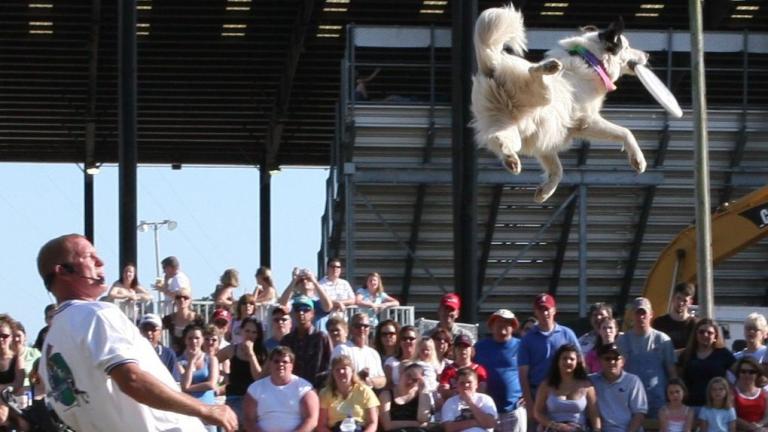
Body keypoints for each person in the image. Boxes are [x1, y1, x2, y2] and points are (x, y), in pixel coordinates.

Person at [36, 234, 236, 431]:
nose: (101, 262)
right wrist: (206, 410)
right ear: (62, 271)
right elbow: (132, 380)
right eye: (89, 256)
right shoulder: (96, 314)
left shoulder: (49, 348)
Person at [519, 293, 581, 425]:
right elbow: (523, 374)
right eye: (541, 309)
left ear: (554, 310)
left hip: (563, 393)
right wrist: (530, 405)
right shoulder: (527, 339)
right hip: (537, 393)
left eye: (547, 309)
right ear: (535, 312)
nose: (544, 313)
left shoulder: (567, 334)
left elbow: (580, 363)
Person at [617, 296, 677, 419]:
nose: (641, 317)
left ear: (651, 315)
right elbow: (617, 372)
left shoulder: (663, 340)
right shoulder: (622, 340)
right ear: (632, 315)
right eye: (637, 313)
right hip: (630, 400)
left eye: (644, 313)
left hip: (657, 400)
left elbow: (672, 372)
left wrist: (674, 398)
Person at [242, 346, 318, 432]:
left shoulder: (305, 388)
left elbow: (311, 420)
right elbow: (248, 420)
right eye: (276, 361)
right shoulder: (255, 388)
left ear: (291, 366)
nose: (280, 364)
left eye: (285, 362)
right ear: (270, 364)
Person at [474, 309, 525, 432]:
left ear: (513, 327)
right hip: (486, 411)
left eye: (507, 322)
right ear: (491, 326)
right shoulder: (479, 347)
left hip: (514, 410)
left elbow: (533, 372)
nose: (502, 324)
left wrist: (529, 395)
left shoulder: (522, 346)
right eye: (498, 321)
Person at [533, 344, 601, 432]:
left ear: (577, 362)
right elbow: (537, 413)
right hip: (553, 428)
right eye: (564, 358)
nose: (568, 362)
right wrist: (556, 426)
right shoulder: (546, 385)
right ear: (558, 361)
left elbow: (594, 415)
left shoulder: (586, 385)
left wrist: (597, 430)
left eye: (572, 359)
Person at [216, 316, 267, 425]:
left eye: (254, 332)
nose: (250, 335)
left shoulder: (262, 353)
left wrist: (251, 354)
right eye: (247, 331)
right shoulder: (232, 349)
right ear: (241, 331)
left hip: (254, 399)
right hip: (234, 398)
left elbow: (258, 377)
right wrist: (222, 375)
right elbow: (213, 361)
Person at [678, 318, 735, 410]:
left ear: (715, 336)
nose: (705, 335)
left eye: (709, 333)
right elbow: (679, 380)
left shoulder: (724, 354)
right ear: (695, 334)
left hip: (716, 407)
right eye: (701, 332)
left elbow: (739, 375)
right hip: (690, 406)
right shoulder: (686, 355)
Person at [589, 342, 647, 432]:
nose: (612, 362)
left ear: (623, 361)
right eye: (607, 358)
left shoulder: (633, 381)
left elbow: (639, 413)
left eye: (616, 358)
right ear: (600, 361)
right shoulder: (591, 381)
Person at [280, 295, 333, 388]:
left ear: (312, 313)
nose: (301, 312)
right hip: (291, 389)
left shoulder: (321, 337)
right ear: (292, 313)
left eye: (305, 309)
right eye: (297, 309)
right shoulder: (286, 340)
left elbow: (329, 366)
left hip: (316, 389)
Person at [318, 354, 380, 432]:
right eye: (337, 369)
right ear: (332, 373)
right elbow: (321, 426)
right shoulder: (325, 393)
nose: (341, 372)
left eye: (344, 368)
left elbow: (373, 423)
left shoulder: (365, 391)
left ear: (352, 371)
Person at [178, 324, 220, 432]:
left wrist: (189, 388)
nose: (194, 341)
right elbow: (184, 385)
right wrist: (191, 361)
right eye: (190, 338)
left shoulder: (211, 359)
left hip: (208, 410)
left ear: (202, 340)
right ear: (185, 340)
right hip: (189, 410)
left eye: (197, 338)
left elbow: (211, 384)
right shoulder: (180, 362)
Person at [331, 313, 386, 389]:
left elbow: (383, 380)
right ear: (350, 328)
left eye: (365, 326)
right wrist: (359, 377)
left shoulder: (373, 353)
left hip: (369, 395)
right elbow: (336, 377)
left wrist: (369, 380)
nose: (362, 328)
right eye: (358, 326)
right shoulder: (342, 349)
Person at [379, 362, 433, 432]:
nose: (410, 381)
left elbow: (423, 419)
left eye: (415, 379)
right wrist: (418, 424)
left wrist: (422, 390)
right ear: (401, 374)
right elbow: (387, 426)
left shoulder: (423, 396)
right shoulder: (386, 395)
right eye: (408, 375)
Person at [440, 367, 498, 432]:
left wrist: (469, 401)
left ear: (476, 384)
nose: (466, 385)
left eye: (469, 382)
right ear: (457, 385)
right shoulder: (450, 402)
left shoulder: (486, 399)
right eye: (462, 383)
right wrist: (476, 423)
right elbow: (449, 428)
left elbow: (490, 424)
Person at [439, 334, 487, 401]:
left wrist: (457, 391)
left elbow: (481, 391)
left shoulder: (479, 369)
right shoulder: (448, 370)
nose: (463, 350)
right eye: (459, 347)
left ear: (471, 349)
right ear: (454, 350)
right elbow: (444, 393)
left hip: (474, 405)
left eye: (466, 347)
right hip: (454, 406)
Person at [652, 282, 698, 352]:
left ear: (690, 302)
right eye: (678, 298)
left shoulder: (695, 324)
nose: (680, 303)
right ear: (673, 298)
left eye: (685, 300)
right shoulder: (659, 322)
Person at [316, 258, 356, 333]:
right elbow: (319, 300)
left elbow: (353, 299)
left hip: (342, 321)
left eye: (338, 267)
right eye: (332, 266)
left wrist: (340, 303)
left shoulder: (345, 283)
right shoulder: (320, 284)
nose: (335, 269)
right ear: (327, 268)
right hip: (326, 322)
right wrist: (337, 303)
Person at [163, 286, 205, 354]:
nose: (182, 300)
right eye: (178, 297)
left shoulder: (198, 319)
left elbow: (206, 336)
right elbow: (156, 330)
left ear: (190, 300)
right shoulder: (169, 319)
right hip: (176, 356)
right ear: (175, 300)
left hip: (194, 354)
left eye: (186, 298)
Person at [139, 313, 180, 381]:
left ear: (160, 332)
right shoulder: (132, 352)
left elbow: (175, 381)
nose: (149, 333)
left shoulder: (168, 354)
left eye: (153, 329)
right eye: (145, 329)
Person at [0, 315, 24, 428]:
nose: (1, 339)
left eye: (4, 336)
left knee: (24, 424)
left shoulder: (16, 358)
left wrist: (3, 388)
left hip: (12, 397)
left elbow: (19, 383)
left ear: (11, 337)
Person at [731, 357, 768, 431]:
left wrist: (759, 425)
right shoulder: (731, 393)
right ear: (738, 373)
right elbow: (732, 416)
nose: (747, 375)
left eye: (751, 372)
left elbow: (767, 416)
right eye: (743, 371)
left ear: (757, 374)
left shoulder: (764, 394)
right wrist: (750, 427)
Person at [11, 320, 42, 395]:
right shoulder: (5, 356)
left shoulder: (34, 353)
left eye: (18, 336)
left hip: (32, 395)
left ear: (25, 336)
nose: (16, 339)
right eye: (13, 336)